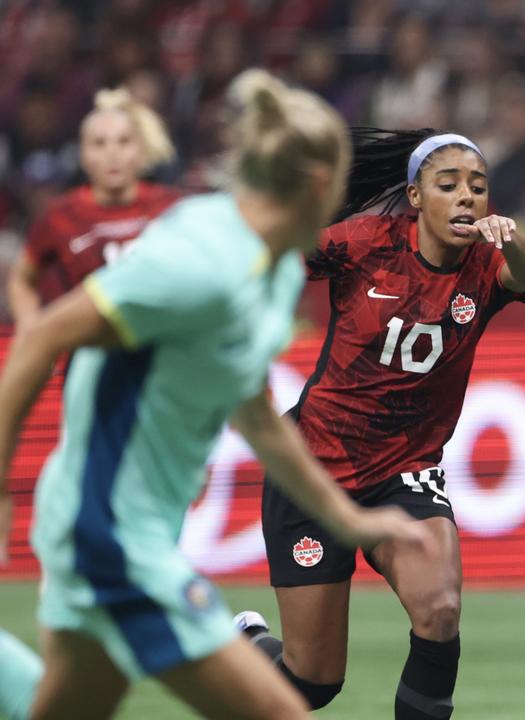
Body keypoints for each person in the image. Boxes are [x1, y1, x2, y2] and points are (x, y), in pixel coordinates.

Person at [0, 69, 432, 720]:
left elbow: (255, 413)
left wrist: (351, 522)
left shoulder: (280, 270)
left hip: (125, 527)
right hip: (110, 536)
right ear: (320, 184)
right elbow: (40, 342)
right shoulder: (197, 259)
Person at [236, 127, 525, 719]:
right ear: (415, 197)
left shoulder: (486, 265)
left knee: (441, 610)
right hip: (312, 470)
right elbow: (269, 258)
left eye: (478, 188)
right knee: (312, 687)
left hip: (404, 473)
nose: (466, 198)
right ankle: (245, 645)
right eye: (448, 185)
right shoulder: (364, 242)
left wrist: (515, 240)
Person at [7, 87, 181, 331]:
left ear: (141, 150)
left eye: (124, 142)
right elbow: (22, 278)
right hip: (88, 348)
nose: (113, 153)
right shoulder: (62, 215)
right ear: (83, 155)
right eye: (99, 143)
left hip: (157, 346)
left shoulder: (172, 208)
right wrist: (31, 326)